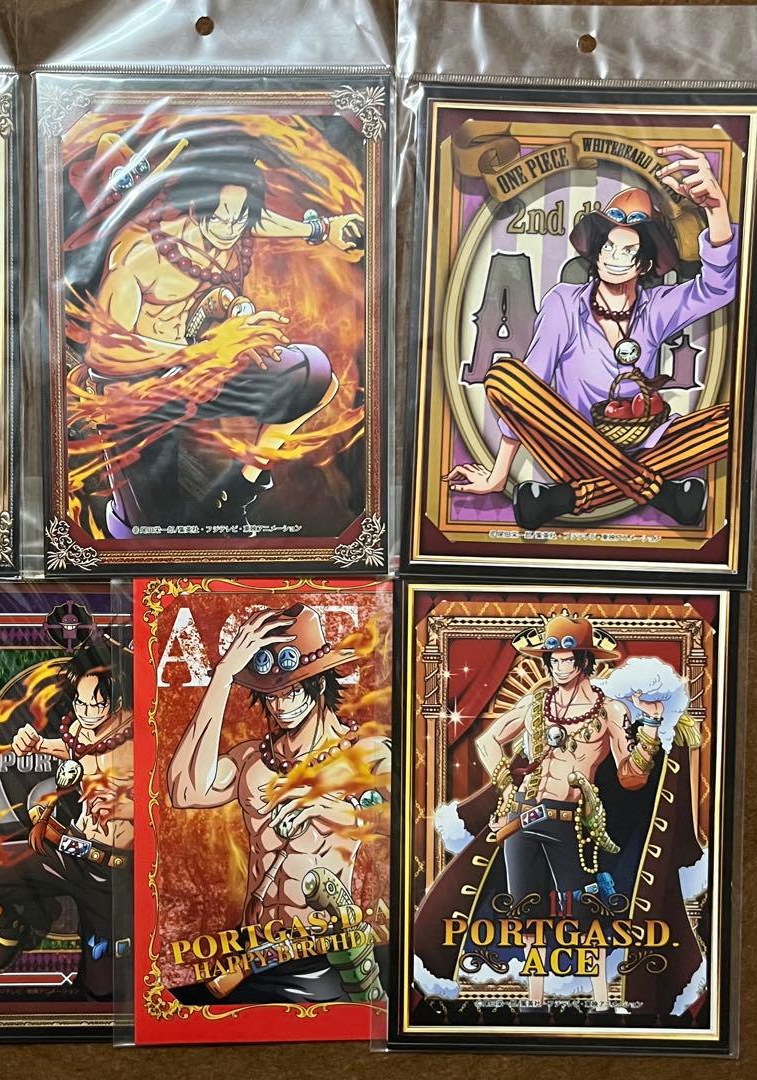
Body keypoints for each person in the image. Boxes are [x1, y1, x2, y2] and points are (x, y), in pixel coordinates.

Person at [68, 133, 364, 533]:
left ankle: (238, 491)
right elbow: (107, 357)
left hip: (200, 375)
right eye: (221, 216)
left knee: (312, 374)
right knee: (149, 532)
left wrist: (321, 230)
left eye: (239, 218)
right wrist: (209, 352)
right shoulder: (138, 257)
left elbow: (256, 220)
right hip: (136, 395)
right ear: (195, 206)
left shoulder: (231, 228)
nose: (230, 229)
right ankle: (129, 516)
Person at [414, 615, 705, 1015]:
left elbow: (631, 777)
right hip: (522, 819)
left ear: (584, 661)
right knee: (526, 913)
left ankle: (600, 1002)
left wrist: (652, 726)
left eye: (568, 659)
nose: (560, 667)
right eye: (553, 660)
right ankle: (535, 1002)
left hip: (570, 823)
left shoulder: (608, 711)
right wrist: (507, 783)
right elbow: (489, 741)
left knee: (584, 913)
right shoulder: (537, 702)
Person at [445, 146, 737, 530]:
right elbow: (529, 384)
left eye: (628, 250)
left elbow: (717, 289)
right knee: (505, 378)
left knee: (733, 422)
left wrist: (716, 209)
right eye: (608, 246)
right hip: (569, 446)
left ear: (645, 264)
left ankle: (568, 497)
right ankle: (661, 493)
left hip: (642, 448)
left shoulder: (657, 307)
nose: (614, 256)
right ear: (596, 253)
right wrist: (500, 474)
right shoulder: (564, 302)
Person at [166, 604, 389, 1003]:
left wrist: (328, 808)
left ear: (319, 684)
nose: (281, 706)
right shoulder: (253, 760)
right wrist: (223, 676)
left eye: (292, 691)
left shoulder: (365, 754)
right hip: (251, 952)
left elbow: (413, 823)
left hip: (324, 955)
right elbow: (184, 790)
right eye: (271, 695)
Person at [0, 652, 132, 1001]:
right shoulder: (80, 728)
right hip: (67, 849)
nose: (87, 713)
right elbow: (77, 748)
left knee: (104, 993)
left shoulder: (142, 737)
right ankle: (12, 922)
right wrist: (37, 745)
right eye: (80, 703)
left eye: (97, 705)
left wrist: (126, 806)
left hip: (113, 875)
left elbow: (174, 807)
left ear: (117, 700)